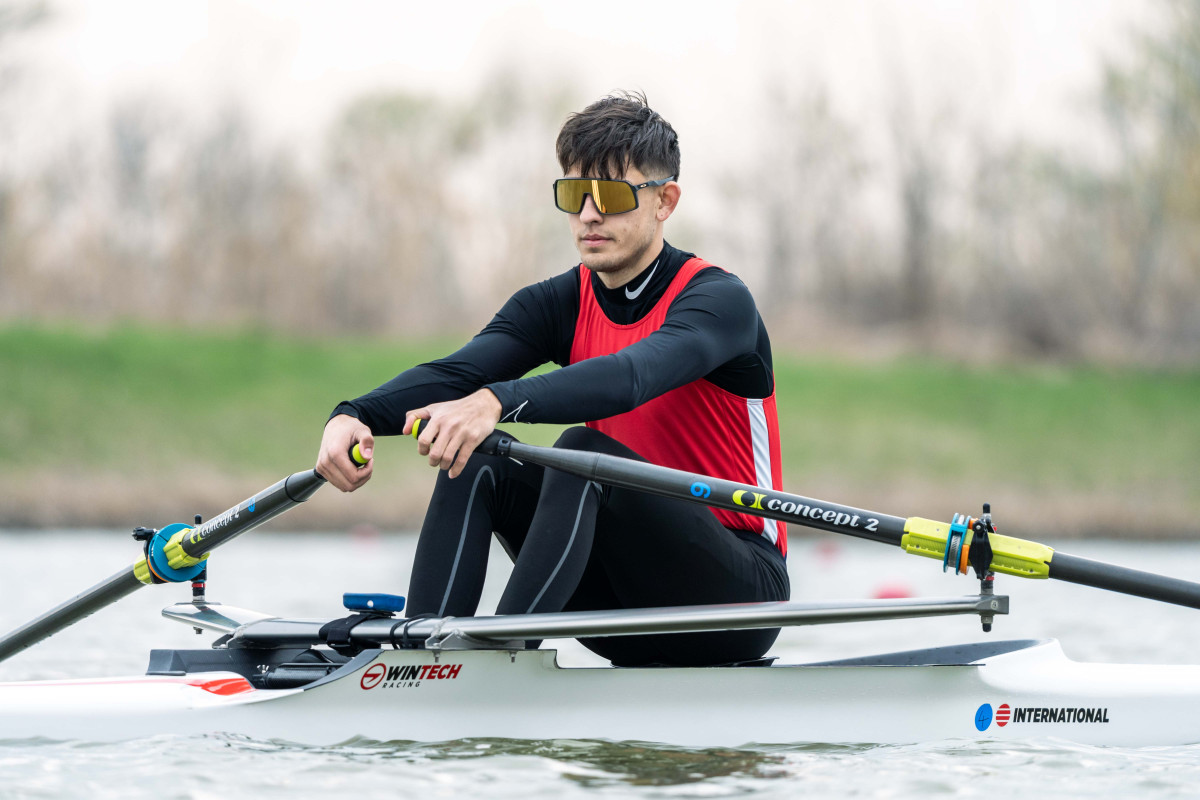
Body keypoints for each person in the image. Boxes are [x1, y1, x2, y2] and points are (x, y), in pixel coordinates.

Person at [316, 91, 789, 667]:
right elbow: (457, 372)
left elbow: (632, 376)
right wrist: (354, 414)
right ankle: (422, 662)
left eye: (611, 195)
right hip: (617, 602)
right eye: (574, 194)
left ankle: (497, 663)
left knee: (581, 452)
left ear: (665, 201)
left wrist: (495, 401)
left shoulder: (719, 301)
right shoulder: (558, 303)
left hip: (735, 602)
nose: (589, 214)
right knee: (480, 458)